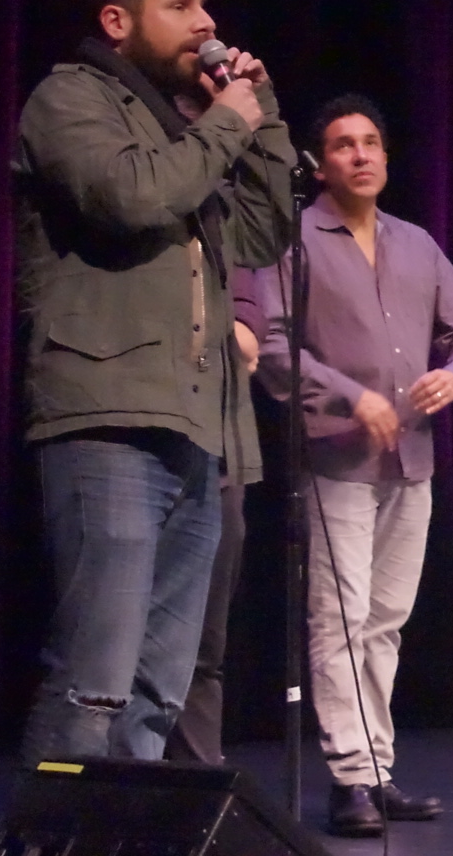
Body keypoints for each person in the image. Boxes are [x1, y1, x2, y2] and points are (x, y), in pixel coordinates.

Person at [12, 0, 293, 766]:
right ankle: (50, 834)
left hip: (197, 425)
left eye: (205, 3)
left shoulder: (186, 129)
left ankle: (124, 833)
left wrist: (263, 112)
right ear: (118, 20)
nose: (206, 22)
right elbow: (131, 198)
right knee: (93, 677)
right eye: (181, 6)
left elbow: (261, 229)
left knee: (157, 687)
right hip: (109, 418)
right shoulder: (68, 100)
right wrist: (224, 130)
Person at [256, 94, 453, 836]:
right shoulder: (293, 240)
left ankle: (377, 771)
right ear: (320, 163)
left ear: (386, 158)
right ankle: (349, 779)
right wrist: (351, 395)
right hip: (335, 458)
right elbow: (269, 345)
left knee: (386, 619)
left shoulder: (416, 243)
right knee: (342, 616)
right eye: (342, 145)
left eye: (370, 143)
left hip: (411, 459)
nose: (359, 155)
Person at [167, 266, 267, 765]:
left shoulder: (225, 235)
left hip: (218, 461)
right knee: (112, 648)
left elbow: (248, 339)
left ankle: (197, 779)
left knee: (205, 648)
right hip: (136, 452)